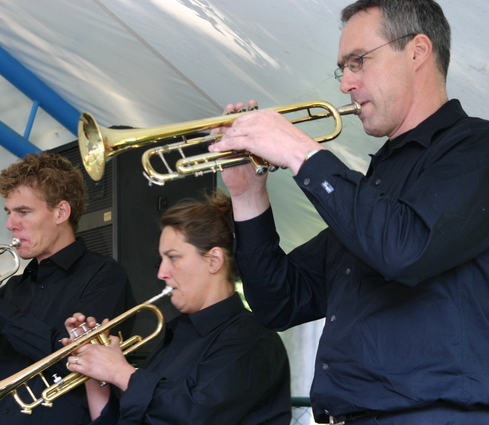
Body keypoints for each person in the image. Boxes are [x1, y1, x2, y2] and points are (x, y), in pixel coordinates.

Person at [209, 1, 489, 424]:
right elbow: (278, 303)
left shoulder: (475, 149)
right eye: (345, 68)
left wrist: (300, 150)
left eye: (358, 62)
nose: (346, 84)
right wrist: (248, 196)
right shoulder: (372, 187)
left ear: (417, 51)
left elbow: (404, 249)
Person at [0, 152, 134, 425]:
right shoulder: (14, 289)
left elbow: (80, 359)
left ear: (61, 212)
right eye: (9, 212)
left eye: (23, 212)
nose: (10, 224)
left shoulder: (104, 276)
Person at [62, 191, 291, 425]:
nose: (162, 273)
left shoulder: (252, 338)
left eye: (173, 258)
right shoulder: (177, 335)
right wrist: (91, 367)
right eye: (161, 260)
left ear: (213, 261)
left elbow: (193, 416)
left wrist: (120, 372)